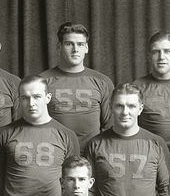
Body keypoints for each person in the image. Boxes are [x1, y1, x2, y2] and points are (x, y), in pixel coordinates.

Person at [85, 83, 170, 196]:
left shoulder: (156, 143)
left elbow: (165, 188)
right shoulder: (95, 144)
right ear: (111, 108)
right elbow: (88, 189)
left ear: (140, 108)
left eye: (131, 106)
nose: (125, 112)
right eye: (119, 106)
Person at [0, 75, 79, 196]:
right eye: (25, 98)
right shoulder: (4, 134)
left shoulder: (66, 135)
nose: (31, 103)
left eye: (37, 97)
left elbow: (73, 180)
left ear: (47, 97)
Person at [40, 22, 114, 151]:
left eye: (80, 44)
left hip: (92, 157)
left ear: (86, 48)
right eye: (69, 44)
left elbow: (110, 126)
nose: (75, 49)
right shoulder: (43, 81)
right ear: (59, 47)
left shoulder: (102, 82)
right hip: (54, 155)